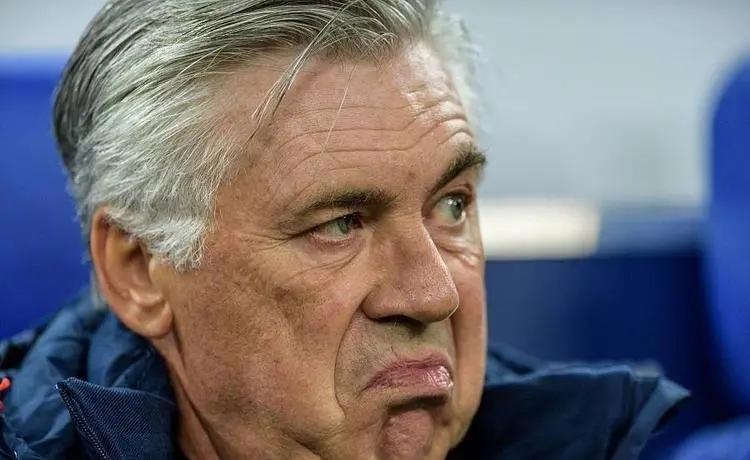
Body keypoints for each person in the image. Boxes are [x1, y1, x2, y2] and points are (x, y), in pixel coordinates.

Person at [0, 1, 687, 459]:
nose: (435, 295)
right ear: (139, 270)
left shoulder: (590, 436)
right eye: (341, 224)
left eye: (451, 206)